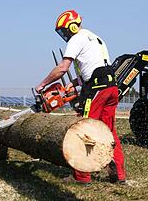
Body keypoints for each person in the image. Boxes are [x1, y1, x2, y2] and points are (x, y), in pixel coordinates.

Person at [36, 9, 126, 184]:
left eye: (64, 30)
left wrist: (42, 84)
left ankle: (82, 176)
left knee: (82, 129)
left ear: (71, 26)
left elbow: (63, 68)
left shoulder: (76, 39)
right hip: (111, 87)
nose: (65, 34)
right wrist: (75, 83)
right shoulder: (95, 38)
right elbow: (93, 67)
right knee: (108, 131)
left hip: (96, 88)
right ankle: (119, 174)